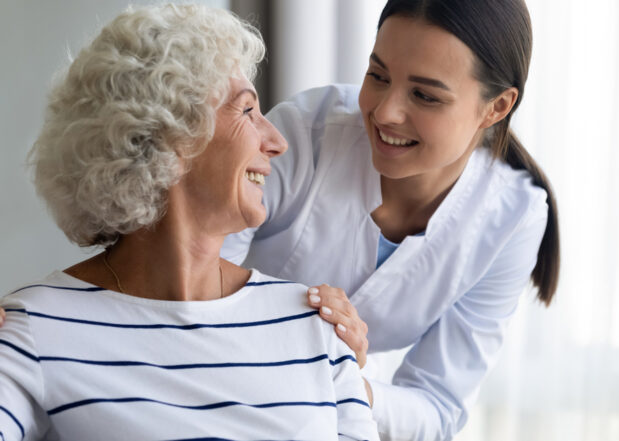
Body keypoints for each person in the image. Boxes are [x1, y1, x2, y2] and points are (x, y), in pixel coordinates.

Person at [0, 5, 378, 441]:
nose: (276, 141)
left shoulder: (314, 327)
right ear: (170, 133)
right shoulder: (33, 331)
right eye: (247, 111)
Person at [221, 0, 560, 439]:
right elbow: (196, 280)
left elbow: (438, 407)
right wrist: (311, 341)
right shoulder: (304, 134)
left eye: (424, 95)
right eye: (377, 76)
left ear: (496, 107)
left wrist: (343, 381)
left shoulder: (514, 217)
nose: (384, 113)